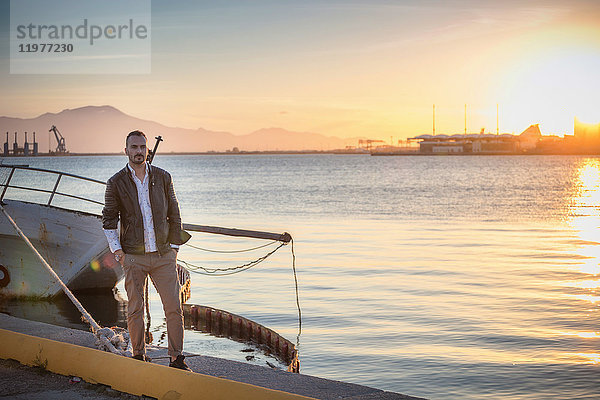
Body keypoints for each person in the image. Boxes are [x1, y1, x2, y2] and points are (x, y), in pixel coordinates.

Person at [102, 130, 191, 370]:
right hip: (133, 257)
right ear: (126, 151)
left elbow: (175, 213)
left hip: (163, 256)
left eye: (142, 147)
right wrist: (118, 252)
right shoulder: (116, 182)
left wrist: (173, 248)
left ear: (147, 150)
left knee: (173, 307)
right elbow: (108, 220)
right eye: (134, 147)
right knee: (135, 309)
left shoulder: (163, 177)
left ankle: (177, 358)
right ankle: (139, 356)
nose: (139, 151)